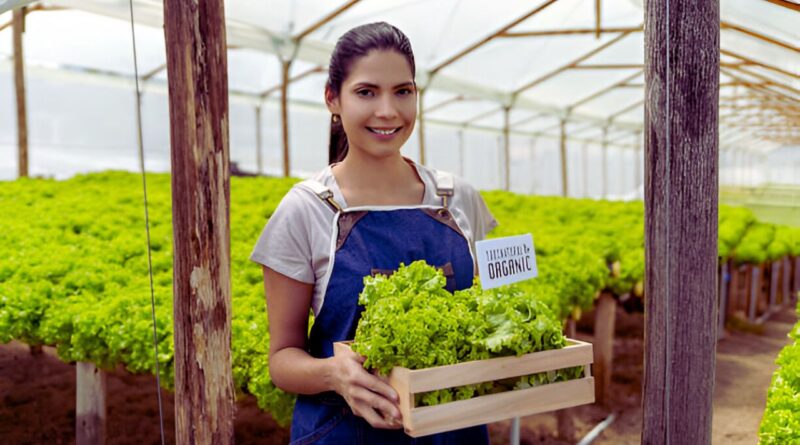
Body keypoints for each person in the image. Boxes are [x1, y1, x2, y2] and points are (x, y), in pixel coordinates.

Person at [250, 22, 497, 445]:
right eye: (366, 92)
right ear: (333, 98)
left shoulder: (458, 198)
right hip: (345, 432)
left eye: (403, 91)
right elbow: (282, 359)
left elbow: (485, 311)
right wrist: (333, 373)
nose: (388, 111)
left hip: (455, 430)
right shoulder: (306, 210)